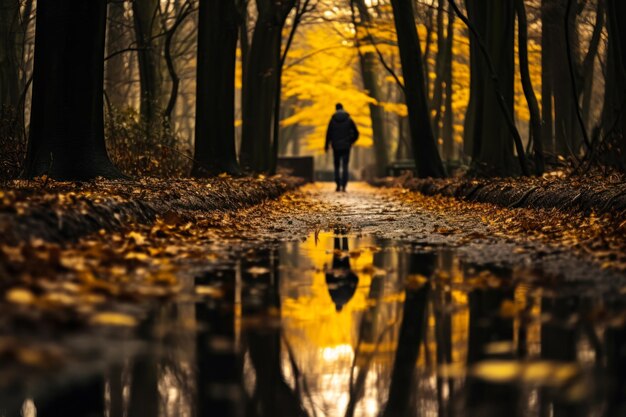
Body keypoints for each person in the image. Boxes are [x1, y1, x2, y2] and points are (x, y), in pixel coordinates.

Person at [325, 103, 359, 192]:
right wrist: (351, 141)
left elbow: (328, 134)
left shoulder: (332, 120)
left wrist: (326, 145)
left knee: (336, 166)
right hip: (346, 146)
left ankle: (337, 185)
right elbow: (356, 133)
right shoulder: (349, 120)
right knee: (345, 166)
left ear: (335, 109)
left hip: (336, 146)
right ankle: (344, 185)